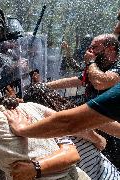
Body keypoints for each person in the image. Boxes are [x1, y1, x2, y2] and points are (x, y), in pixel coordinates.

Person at [6, 84, 120, 180]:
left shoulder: (54, 130)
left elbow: (71, 151)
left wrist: (35, 168)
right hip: (112, 176)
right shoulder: (75, 115)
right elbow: (101, 141)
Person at [46, 33, 120, 169]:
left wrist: (91, 62)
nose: (89, 51)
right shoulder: (98, 67)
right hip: (96, 125)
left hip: (115, 135)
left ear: (110, 50)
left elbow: (99, 82)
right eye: (89, 47)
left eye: (94, 48)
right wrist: (45, 86)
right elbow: (77, 80)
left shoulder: (117, 67)